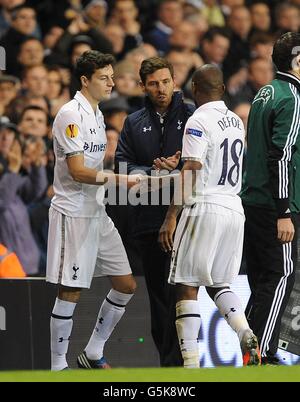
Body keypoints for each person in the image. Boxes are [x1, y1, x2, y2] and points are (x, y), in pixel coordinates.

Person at [46, 50, 144, 371]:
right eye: (104, 78)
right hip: (72, 213)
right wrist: (119, 180)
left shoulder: (98, 115)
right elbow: (77, 171)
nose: (111, 83)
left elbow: (95, 169)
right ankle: (58, 366)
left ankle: (92, 351)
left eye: (112, 77)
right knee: (71, 289)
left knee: (126, 284)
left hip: (97, 212)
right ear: (85, 80)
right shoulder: (70, 115)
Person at [158, 64, 261, 368]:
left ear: (195, 88)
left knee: (186, 285)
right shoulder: (234, 120)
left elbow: (193, 170)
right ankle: (244, 331)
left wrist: (171, 216)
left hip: (205, 207)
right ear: (222, 89)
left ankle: (191, 365)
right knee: (218, 282)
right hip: (233, 208)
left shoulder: (197, 120)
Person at [115, 56, 195, 366]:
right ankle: (169, 365)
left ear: (174, 82)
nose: (160, 88)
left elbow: (201, 163)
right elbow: (121, 165)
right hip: (148, 219)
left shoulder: (192, 116)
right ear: (143, 86)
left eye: (165, 81)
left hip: (186, 218)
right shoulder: (134, 122)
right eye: (153, 83)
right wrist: (153, 170)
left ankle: (185, 360)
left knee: (182, 293)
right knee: (159, 299)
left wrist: (179, 165)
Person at [241, 32, 300, 365]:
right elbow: (280, 156)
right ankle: (260, 353)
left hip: (253, 201)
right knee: (280, 275)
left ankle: (254, 344)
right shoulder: (292, 97)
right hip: (277, 205)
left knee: (264, 279)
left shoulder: (265, 91)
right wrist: (284, 211)